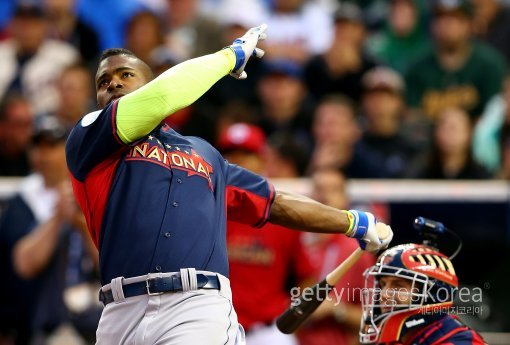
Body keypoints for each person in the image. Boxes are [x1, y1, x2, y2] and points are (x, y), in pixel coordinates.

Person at [65, 24, 393, 344]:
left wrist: (353, 222)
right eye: (103, 81)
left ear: (150, 82)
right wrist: (228, 58)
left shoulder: (205, 153)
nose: (113, 84)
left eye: (125, 75)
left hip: (194, 307)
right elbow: (163, 96)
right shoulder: (89, 136)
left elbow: (272, 202)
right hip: (119, 311)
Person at [1, 116, 101, 345]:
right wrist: (58, 217)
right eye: (38, 147)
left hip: (98, 320)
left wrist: (81, 223)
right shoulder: (23, 201)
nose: (45, 156)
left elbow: (113, 264)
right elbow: (23, 265)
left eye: (52, 147)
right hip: (45, 324)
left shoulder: (93, 188)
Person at [218, 123, 314, 345]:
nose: (237, 161)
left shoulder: (280, 212)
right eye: (230, 154)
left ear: (263, 161)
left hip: (269, 331)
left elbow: (307, 277)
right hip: (217, 329)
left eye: (246, 155)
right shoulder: (205, 209)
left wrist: (294, 319)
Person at [297, 168, 376, 345]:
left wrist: (336, 309)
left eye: (332, 189)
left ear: (345, 199)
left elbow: (373, 319)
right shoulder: (293, 241)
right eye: (318, 189)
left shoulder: (357, 251)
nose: (324, 196)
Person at [359, 242, 487, 344]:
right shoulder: (394, 339)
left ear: (432, 295)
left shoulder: (460, 342)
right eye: (383, 285)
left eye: (398, 286)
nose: (384, 295)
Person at [404, 0, 506, 121]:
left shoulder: (490, 65)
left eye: (455, 19)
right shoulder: (417, 67)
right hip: (426, 138)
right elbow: (412, 116)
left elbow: (496, 117)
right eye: (440, 18)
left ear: (469, 24)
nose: (447, 25)